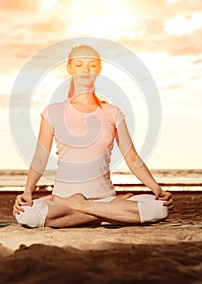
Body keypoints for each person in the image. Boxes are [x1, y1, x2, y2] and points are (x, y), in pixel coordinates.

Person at [13, 45, 173, 228]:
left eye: (92, 65)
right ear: (70, 69)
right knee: (26, 214)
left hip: (102, 199)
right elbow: (40, 157)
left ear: (99, 69)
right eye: (79, 64)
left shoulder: (112, 112)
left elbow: (132, 157)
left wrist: (157, 190)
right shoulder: (53, 112)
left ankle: (84, 206)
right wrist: (27, 191)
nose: (86, 70)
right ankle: (105, 214)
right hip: (62, 201)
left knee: (161, 207)